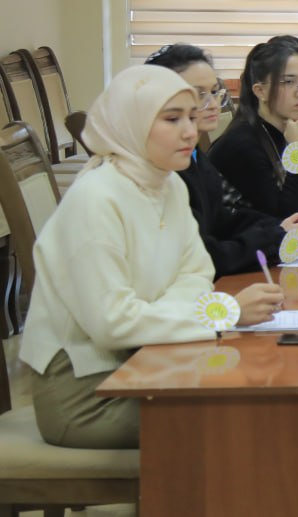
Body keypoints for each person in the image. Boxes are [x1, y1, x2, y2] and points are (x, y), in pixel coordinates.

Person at [18, 66, 282, 449]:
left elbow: (195, 272)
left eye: (192, 118)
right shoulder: (96, 198)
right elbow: (112, 323)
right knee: (244, 420)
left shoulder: (167, 182)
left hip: (147, 358)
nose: (191, 132)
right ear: (131, 122)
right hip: (87, 393)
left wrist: (167, 311)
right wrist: (222, 313)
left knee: (264, 395)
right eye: (172, 119)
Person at [146, 44, 298, 277]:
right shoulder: (162, 166)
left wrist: (278, 229)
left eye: (215, 92)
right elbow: (202, 255)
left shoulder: (193, 156)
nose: (212, 103)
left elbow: (225, 220)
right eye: (198, 94)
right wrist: (274, 235)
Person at [209, 35, 298, 218]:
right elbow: (287, 216)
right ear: (260, 90)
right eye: (288, 82)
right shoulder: (242, 144)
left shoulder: (285, 131)